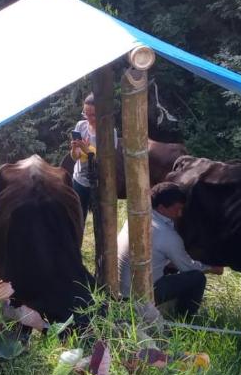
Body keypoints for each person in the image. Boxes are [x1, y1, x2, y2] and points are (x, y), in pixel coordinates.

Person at [117, 182, 224, 317]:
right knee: (197, 278)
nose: (179, 214)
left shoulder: (136, 219)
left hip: (121, 288)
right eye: (177, 209)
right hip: (142, 295)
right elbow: (188, 267)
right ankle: (185, 318)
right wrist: (211, 268)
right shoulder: (167, 234)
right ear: (161, 207)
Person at [69, 93, 117, 222]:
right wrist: (74, 148)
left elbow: (108, 163)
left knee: (101, 220)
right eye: (86, 114)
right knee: (78, 218)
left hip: (100, 182)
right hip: (79, 180)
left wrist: (88, 150)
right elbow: (76, 157)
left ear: (101, 113)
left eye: (93, 115)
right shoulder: (80, 126)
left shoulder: (109, 132)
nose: (89, 118)